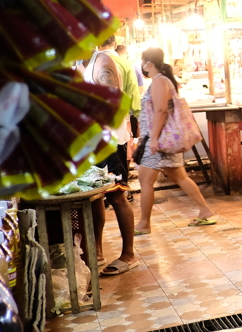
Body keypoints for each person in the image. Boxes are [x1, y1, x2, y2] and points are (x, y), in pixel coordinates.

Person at [136, 47, 218, 232]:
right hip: (163, 139)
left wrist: (154, 139)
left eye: (143, 61)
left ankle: (143, 224)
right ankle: (205, 211)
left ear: (149, 63)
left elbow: (161, 111)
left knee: (146, 182)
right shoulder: (163, 80)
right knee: (180, 177)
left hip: (158, 140)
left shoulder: (159, 81)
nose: (142, 65)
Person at [84, 37, 138, 275]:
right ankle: (97, 251)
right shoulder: (82, 64)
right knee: (95, 197)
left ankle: (129, 254)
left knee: (117, 196)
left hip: (108, 142)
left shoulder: (102, 61)